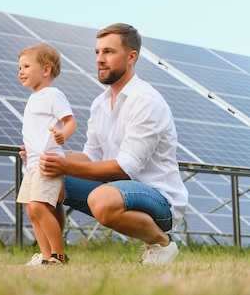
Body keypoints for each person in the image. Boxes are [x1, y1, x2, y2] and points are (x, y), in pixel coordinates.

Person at [19, 23, 188, 265]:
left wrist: (64, 166)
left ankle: (162, 242)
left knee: (102, 199)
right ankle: (54, 258)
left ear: (132, 57)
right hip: (112, 189)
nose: (100, 59)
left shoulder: (145, 101)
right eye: (97, 52)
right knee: (46, 182)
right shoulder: (100, 104)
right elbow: (91, 157)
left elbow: (124, 169)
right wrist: (48, 155)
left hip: (158, 200)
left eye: (108, 52)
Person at [17, 43, 77, 266]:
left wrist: (63, 135)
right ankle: (44, 257)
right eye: (19, 67)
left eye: (26, 66)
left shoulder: (52, 94)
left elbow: (70, 121)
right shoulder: (33, 98)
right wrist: (28, 151)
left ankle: (58, 254)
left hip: (47, 161)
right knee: (32, 210)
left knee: (40, 206)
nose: (20, 71)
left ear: (45, 70)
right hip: (32, 162)